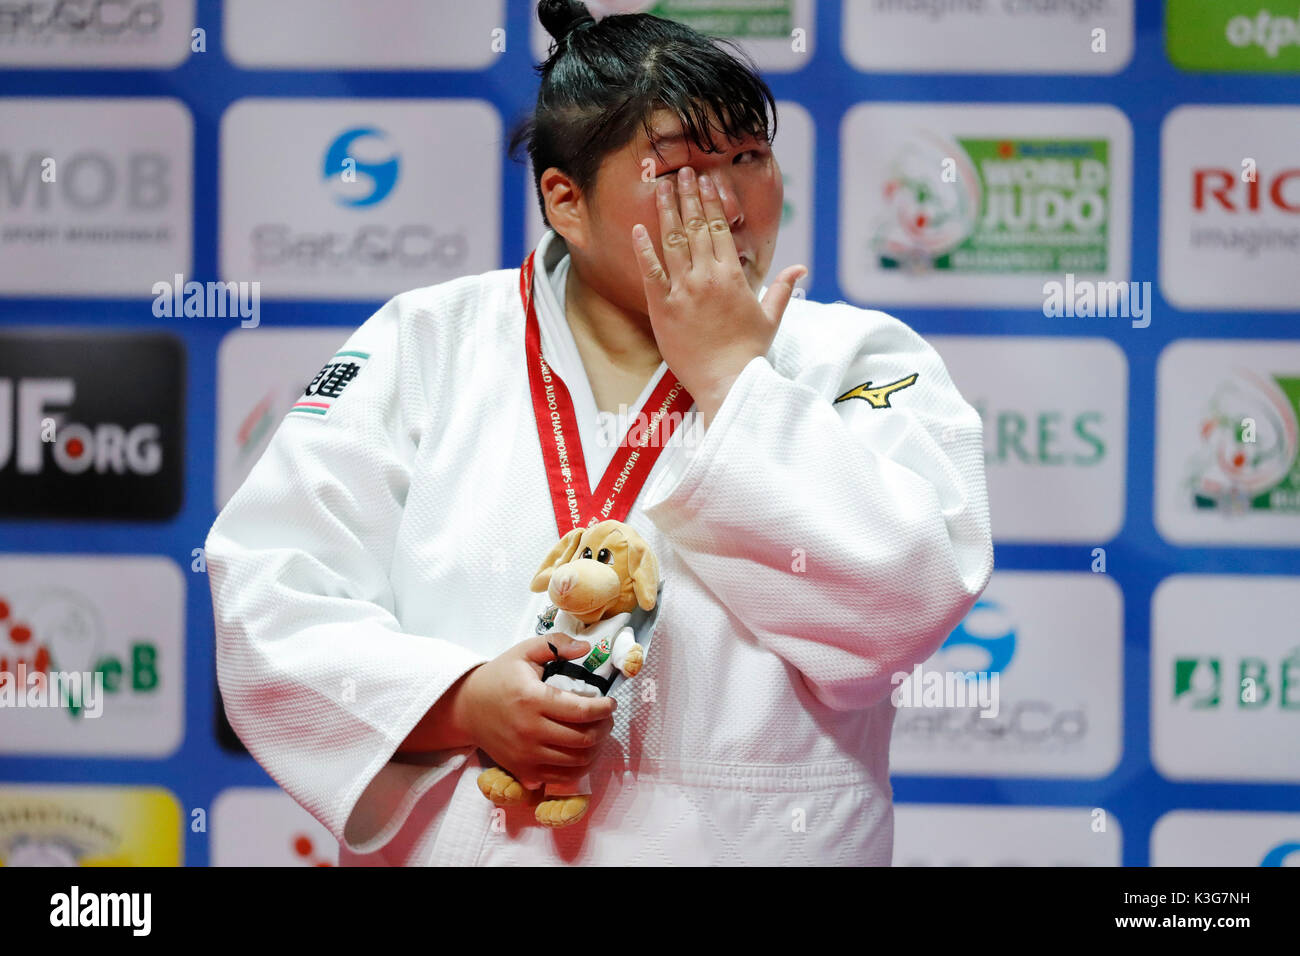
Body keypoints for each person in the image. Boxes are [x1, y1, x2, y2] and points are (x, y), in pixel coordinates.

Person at [205, 0, 993, 866]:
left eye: (749, 157)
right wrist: (459, 703)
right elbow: (270, 592)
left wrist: (733, 377)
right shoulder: (425, 344)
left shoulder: (853, 357)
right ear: (566, 202)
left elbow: (905, 605)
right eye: (680, 170)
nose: (728, 202)